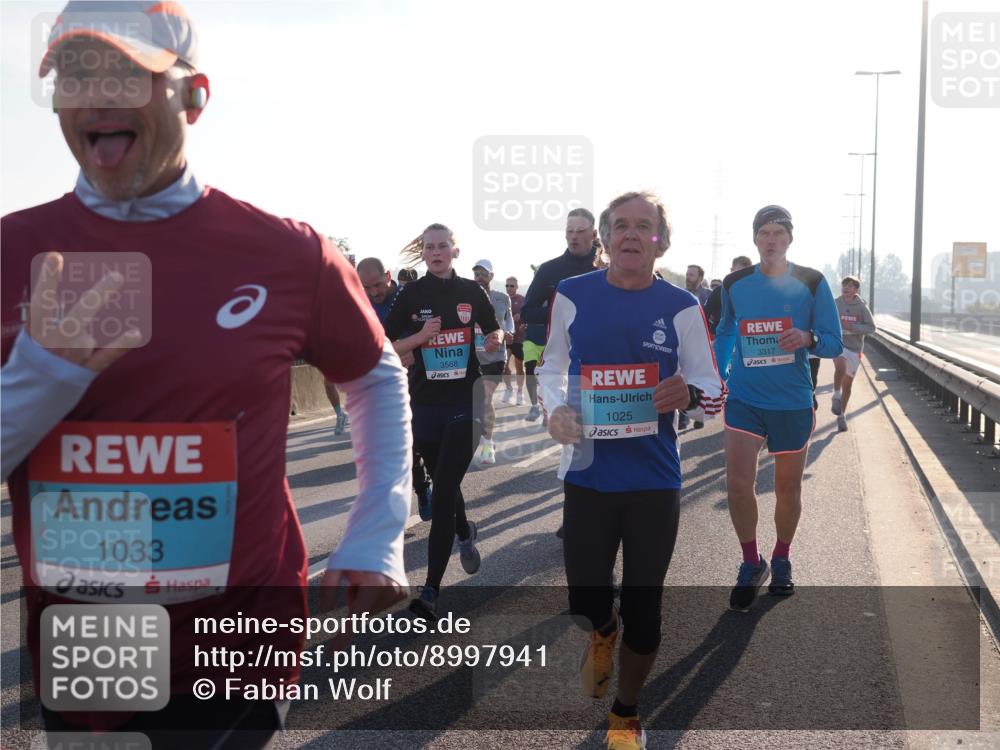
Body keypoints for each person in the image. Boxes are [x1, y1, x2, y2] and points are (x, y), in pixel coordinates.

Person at [0, 2, 410, 744]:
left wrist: (377, 530)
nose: (95, 98)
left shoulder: (287, 253)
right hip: (88, 637)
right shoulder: (12, 250)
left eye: (127, 75)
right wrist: (39, 377)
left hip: (241, 633)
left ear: (194, 96)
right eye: (74, 75)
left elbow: (375, 375)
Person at [539, 191, 725, 750]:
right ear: (605, 237)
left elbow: (715, 391)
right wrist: (555, 411)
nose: (631, 235)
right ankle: (601, 631)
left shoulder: (682, 306)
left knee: (646, 610)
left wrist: (687, 392)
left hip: (653, 481)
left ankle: (626, 711)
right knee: (585, 603)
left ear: (659, 240)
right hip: (588, 478)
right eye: (620, 225)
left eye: (643, 226)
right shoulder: (570, 294)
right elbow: (550, 366)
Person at [714, 205, 843, 612]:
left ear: (789, 239)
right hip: (744, 399)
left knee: (787, 489)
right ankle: (751, 561)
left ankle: (782, 556)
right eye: (764, 233)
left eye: (778, 233)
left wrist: (807, 338)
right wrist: (717, 375)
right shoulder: (735, 283)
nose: (771, 240)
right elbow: (725, 331)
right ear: (755, 239)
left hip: (791, 401)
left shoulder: (812, 281)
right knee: (738, 483)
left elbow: (833, 342)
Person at [384, 223, 501, 619]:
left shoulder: (471, 291)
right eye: (429, 248)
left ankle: (430, 592)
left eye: (442, 246)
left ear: (455, 250)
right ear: (424, 253)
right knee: (444, 489)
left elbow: (494, 328)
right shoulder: (410, 294)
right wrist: (418, 338)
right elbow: (383, 346)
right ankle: (465, 533)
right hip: (425, 407)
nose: (436, 252)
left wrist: (493, 340)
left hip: (464, 404)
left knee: (445, 486)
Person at [520, 208, 598, 423]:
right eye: (569, 231)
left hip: (607, 357)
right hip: (567, 359)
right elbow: (527, 312)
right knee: (576, 433)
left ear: (594, 234)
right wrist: (567, 316)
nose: (574, 236)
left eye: (580, 231)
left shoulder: (609, 267)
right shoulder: (549, 269)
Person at [471, 260, 515, 467]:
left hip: (496, 356)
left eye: (483, 273)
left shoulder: (501, 297)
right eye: (476, 273)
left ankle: (487, 445)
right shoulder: (466, 296)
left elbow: (508, 322)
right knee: (477, 400)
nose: (479, 276)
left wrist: (509, 333)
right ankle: (482, 432)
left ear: (491, 276)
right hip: (473, 355)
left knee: (486, 396)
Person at [831, 276, 875, 431]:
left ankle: (841, 415)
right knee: (840, 368)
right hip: (839, 345)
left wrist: (853, 327)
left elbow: (871, 328)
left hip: (855, 348)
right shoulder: (835, 303)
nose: (846, 288)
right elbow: (827, 320)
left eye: (850, 286)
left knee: (848, 386)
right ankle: (836, 395)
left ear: (856, 290)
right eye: (844, 285)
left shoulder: (861, 307)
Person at [704, 256, 753, 337]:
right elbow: (705, 314)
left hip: (746, 339)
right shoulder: (719, 291)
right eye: (738, 273)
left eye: (745, 274)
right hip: (721, 337)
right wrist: (713, 331)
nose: (741, 277)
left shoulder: (755, 292)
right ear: (731, 270)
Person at [501, 276, 527, 406]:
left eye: (512, 286)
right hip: (505, 338)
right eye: (507, 285)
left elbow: (529, 314)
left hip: (519, 338)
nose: (509, 288)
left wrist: (521, 316)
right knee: (504, 366)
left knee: (519, 367)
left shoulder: (522, 300)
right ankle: (508, 388)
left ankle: (520, 392)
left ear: (517, 287)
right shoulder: (502, 300)